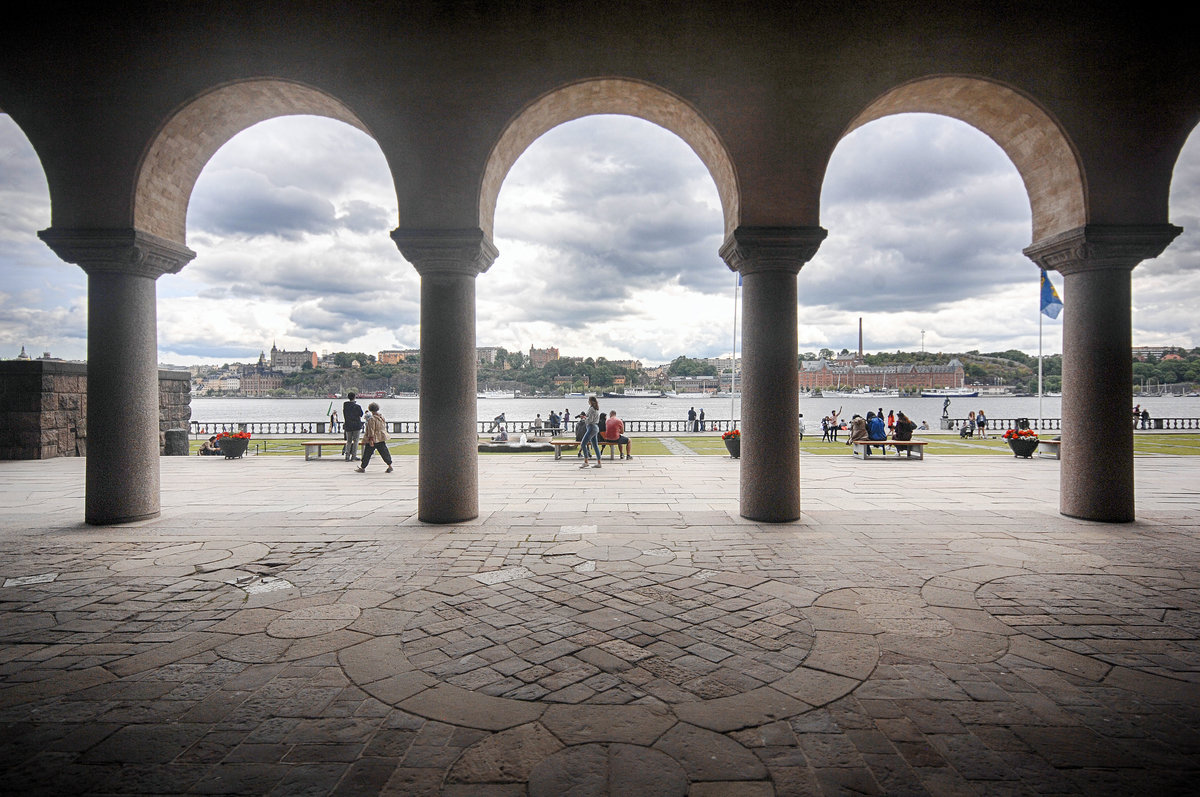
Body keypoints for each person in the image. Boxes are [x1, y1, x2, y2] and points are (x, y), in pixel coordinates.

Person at [355, 402, 393, 473]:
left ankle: (363, 467)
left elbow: (371, 430)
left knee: (367, 454)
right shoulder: (381, 417)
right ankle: (389, 465)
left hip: (374, 438)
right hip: (381, 437)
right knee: (384, 452)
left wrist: (371, 439)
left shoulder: (372, 419)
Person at [581, 396, 602, 468]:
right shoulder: (596, 409)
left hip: (591, 427)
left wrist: (584, 419)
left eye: (588, 400)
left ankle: (586, 461)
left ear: (590, 401)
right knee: (595, 445)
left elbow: (590, 420)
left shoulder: (591, 409)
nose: (588, 401)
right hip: (595, 427)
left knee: (583, 444)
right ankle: (599, 462)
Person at [342, 392, 364, 461]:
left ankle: (347, 456)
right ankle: (354, 456)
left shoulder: (345, 406)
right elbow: (361, 414)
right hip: (356, 425)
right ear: (354, 397)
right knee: (356, 441)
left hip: (348, 425)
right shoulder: (357, 406)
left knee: (348, 441)